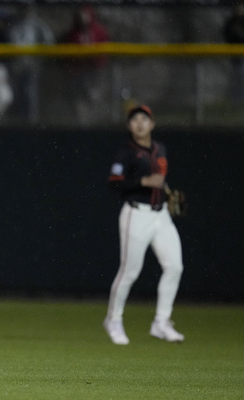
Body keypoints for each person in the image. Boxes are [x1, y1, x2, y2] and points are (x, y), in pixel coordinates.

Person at [103, 105, 184, 345]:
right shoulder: (125, 154)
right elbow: (114, 183)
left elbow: (159, 180)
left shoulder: (161, 148)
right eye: (135, 120)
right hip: (135, 214)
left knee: (175, 267)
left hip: (161, 216)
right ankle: (113, 319)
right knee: (129, 272)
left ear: (152, 124)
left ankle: (161, 322)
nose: (139, 123)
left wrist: (165, 194)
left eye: (144, 119)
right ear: (129, 126)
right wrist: (143, 181)